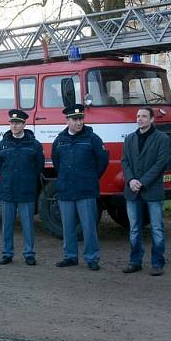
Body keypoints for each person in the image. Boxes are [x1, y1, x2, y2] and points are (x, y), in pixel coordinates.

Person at [51, 104, 108, 270]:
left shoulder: (92, 139)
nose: (79, 122)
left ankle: (92, 258)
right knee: (67, 226)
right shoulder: (60, 140)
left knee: (88, 226)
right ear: (67, 120)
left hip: (86, 190)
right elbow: (57, 162)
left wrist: (90, 177)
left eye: (81, 118)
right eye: (75, 119)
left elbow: (102, 161)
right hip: (66, 190)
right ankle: (70, 256)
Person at [121, 106, 171, 276]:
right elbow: (125, 162)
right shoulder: (129, 139)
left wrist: (142, 182)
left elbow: (160, 164)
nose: (140, 119)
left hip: (152, 190)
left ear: (152, 119)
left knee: (157, 228)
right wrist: (131, 180)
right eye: (138, 116)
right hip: (132, 190)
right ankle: (135, 261)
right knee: (134, 228)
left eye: (143, 116)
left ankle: (157, 263)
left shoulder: (162, 139)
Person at [0, 109, 44, 265]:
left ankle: (29, 254)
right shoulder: (2, 145)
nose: (14, 126)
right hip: (7, 191)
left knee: (28, 225)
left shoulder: (34, 145)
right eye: (12, 123)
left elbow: (39, 166)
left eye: (17, 123)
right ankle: (7, 253)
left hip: (26, 191)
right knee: (7, 225)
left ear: (24, 124)